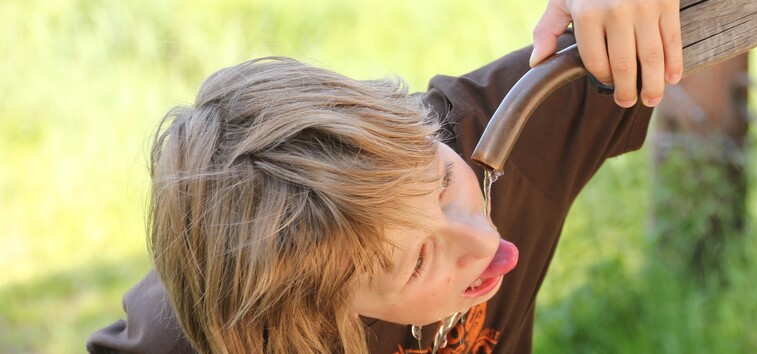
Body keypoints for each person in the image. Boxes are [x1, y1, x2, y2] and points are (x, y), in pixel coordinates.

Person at [87, 1, 682, 352]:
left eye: (444, 183)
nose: (482, 241)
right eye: (418, 261)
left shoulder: (501, 131)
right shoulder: (210, 332)